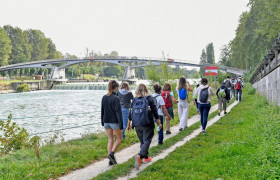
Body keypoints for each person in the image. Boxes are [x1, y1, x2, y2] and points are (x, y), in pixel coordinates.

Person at [127, 83, 162, 170]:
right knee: (147, 140)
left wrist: (128, 124)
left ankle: (146, 158)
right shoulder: (149, 98)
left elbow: (130, 113)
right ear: (146, 89)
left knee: (143, 141)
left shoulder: (134, 100)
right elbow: (154, 111)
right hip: (147, 123)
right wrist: (159, 122)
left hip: (137, 124)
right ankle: (140, 155)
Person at [101, 80, 123, 166]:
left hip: (106, 121)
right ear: (116, 88)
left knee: (110, 139)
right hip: (114, 122)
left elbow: (102, 111)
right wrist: (121, 124)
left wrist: (102, 122)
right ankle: (111, 153)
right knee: (119, 139)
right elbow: (118, 112)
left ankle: (111, 160)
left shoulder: (104, 97)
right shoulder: (116, 98)